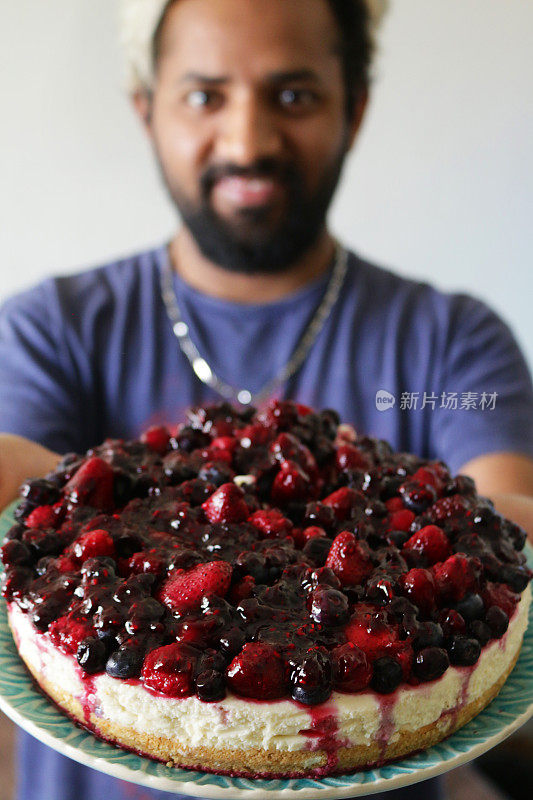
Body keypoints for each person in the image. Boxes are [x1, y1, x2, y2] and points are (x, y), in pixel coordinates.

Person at [1, 1, 533, 799]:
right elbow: (24, 510)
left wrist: (488, 534)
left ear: (353, 108)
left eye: (292, 96)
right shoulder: (54, 330)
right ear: (145, 109)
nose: (247, 142)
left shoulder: (450, 341)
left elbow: (505, 521)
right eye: (204, 95)